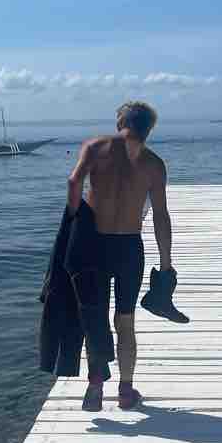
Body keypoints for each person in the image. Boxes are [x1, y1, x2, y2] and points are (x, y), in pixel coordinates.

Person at [66, 100, 172, 411]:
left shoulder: (96, 147)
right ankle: (125, 391)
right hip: (128, 248)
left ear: (121, 122)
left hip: (93, 245)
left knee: (94, 316)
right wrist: (165, 264)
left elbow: (74, 182)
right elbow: (160, 215)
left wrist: (72, 222)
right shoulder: (154, 164)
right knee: (125, 319)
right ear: (148, 130)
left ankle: (95, 386)